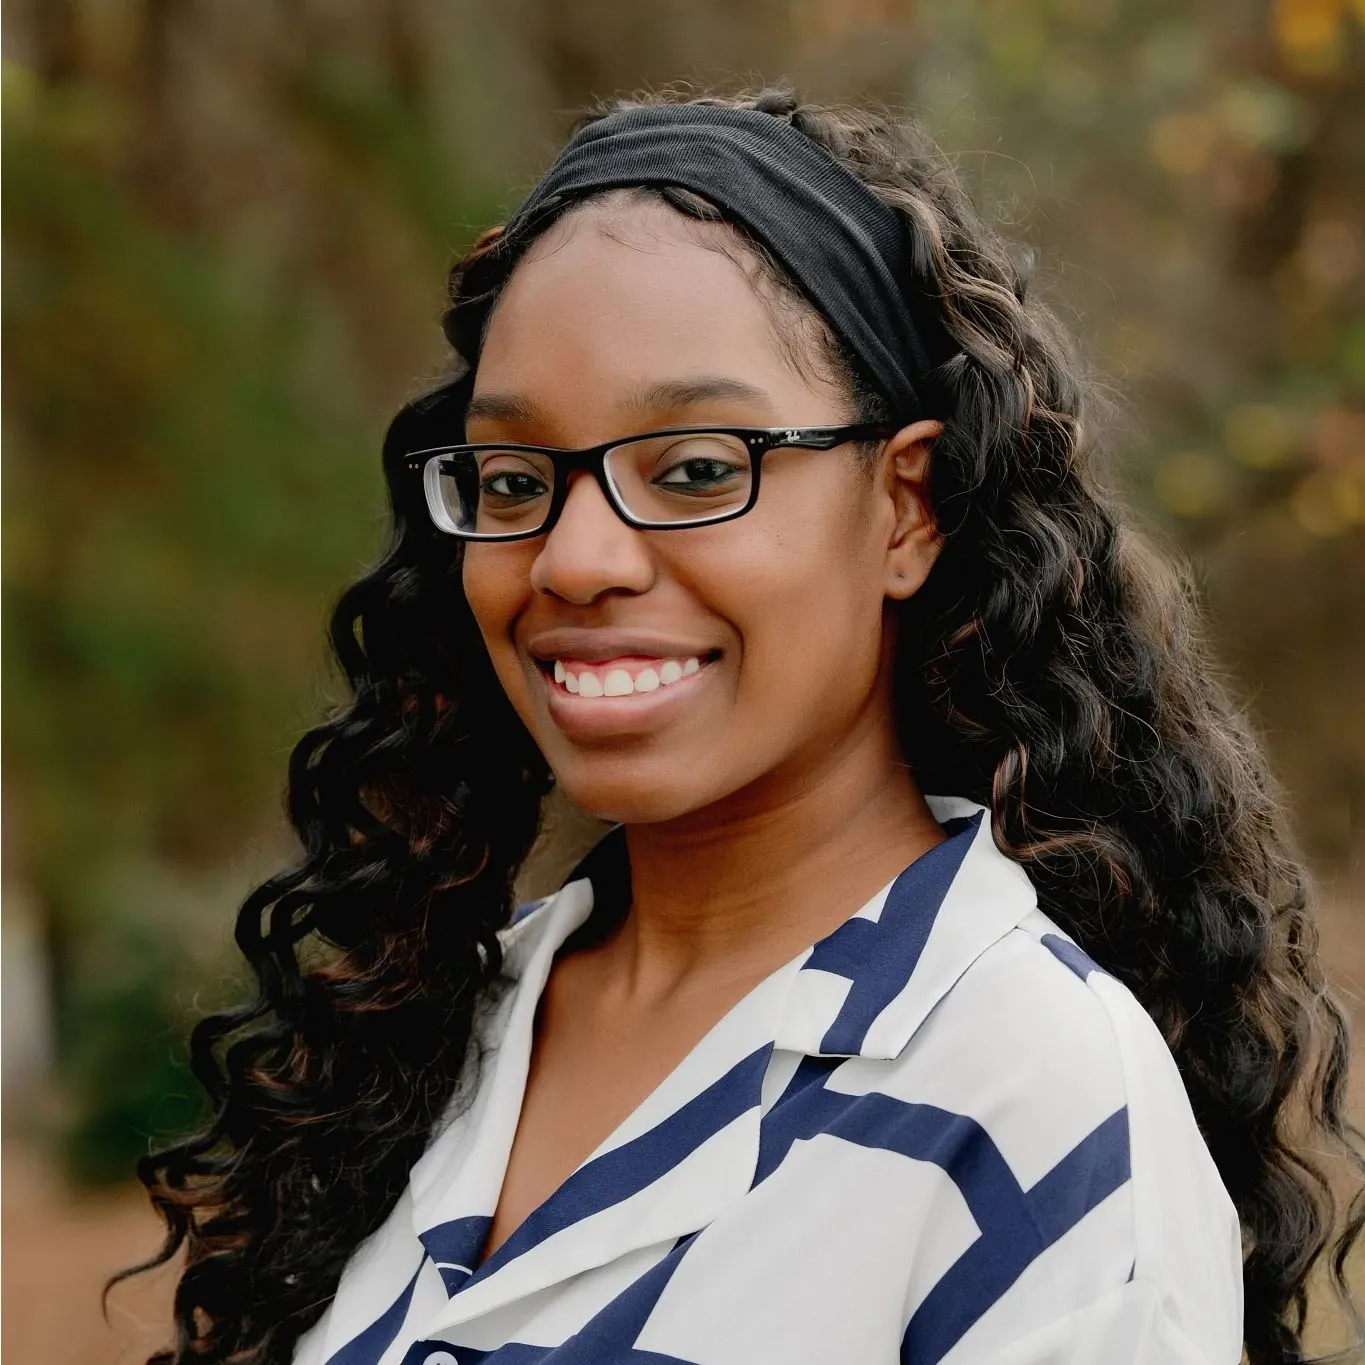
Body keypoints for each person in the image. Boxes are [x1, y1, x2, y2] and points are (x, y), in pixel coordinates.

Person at [116, 87, 1364, 1365]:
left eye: (699, 468)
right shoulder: (436, 1034)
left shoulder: (1031, 1107)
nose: (574, 557)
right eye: (513, 479)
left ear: (905, 507)